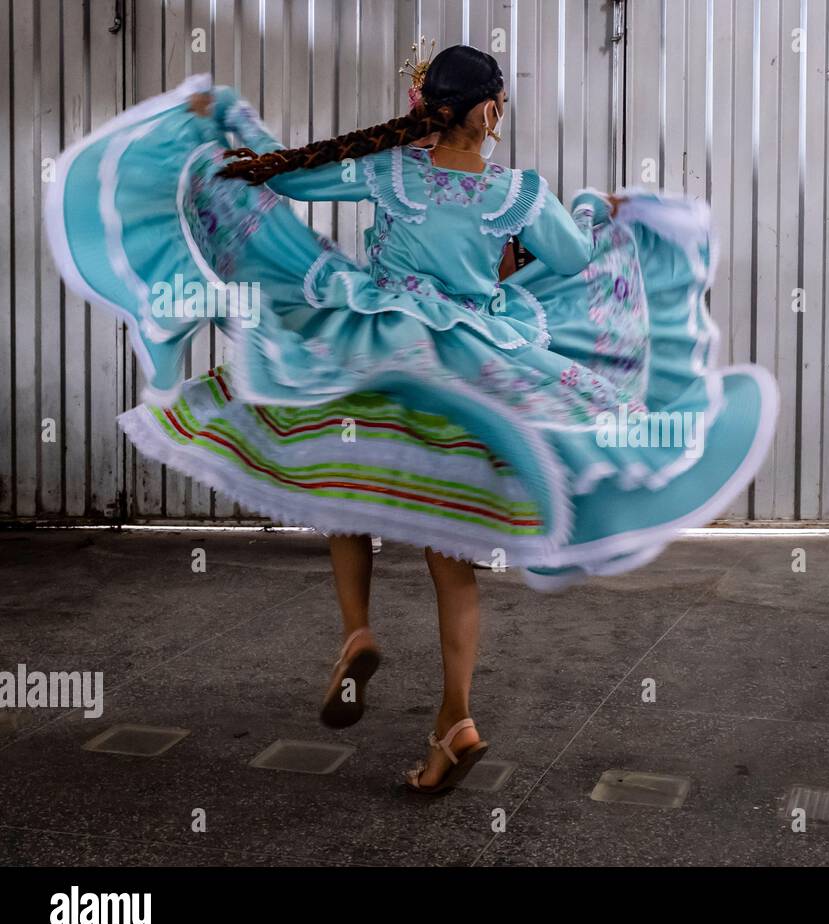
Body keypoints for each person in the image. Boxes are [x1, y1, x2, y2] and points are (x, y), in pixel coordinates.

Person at [44, 43, 777, 789]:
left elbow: (285, 175)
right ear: (489, 111)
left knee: (341, 484)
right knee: (451, 555)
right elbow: (579, 256)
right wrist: (603, 216)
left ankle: (357, 631)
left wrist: (223, 130)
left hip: (378, 342)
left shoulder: (388, 172)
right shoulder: (519, 192)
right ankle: (454, 719)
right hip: (474, 366)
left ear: (429, 107)